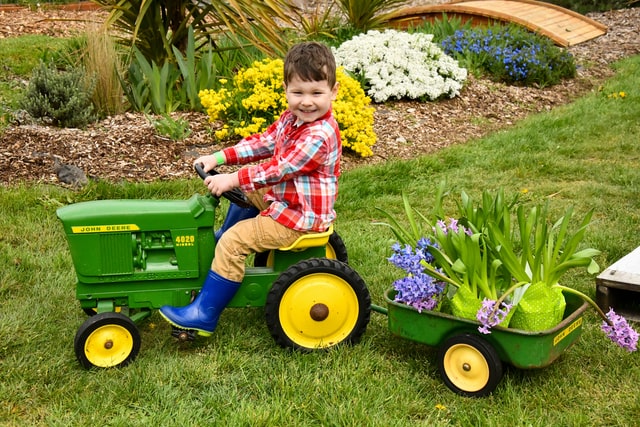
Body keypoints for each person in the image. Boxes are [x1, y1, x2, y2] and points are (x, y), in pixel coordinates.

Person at [159, 41, 342, 336]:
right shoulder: (292, 120)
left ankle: (204, 314)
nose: (306, 101)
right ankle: (218, 247)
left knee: (234, 242)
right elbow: (263, 142)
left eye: (316, 93)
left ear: (333, 92)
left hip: (299, 218)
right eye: (298, 92)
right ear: (286, 90)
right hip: (288, 197)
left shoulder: (318, 135)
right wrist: (219, 157)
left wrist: (231, 178)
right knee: (246, 196)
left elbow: (280, 169)